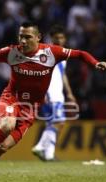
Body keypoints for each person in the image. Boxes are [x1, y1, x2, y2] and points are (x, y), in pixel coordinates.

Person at [0, 21, 106, 182]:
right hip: (11, 98)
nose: (23, 41)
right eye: (21, 36)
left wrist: (95, 63)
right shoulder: (12, 52)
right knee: (7, 126)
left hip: (31, 108)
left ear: (38, 37)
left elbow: (80, 54)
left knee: (3, 147)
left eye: (28, 37)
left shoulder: (51, 53)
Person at [32, 25, 76, 161]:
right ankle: (39, 147)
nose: (59, 40)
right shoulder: (47, 53)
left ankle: (49, 155)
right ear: (51, 39)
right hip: (50, 93)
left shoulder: (64, 55)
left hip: (58, 94)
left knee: (51, 123)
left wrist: (69, 93)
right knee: (59, 122)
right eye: (56, 38)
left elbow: (63, 75)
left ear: (65, 39)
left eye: (61, 37)